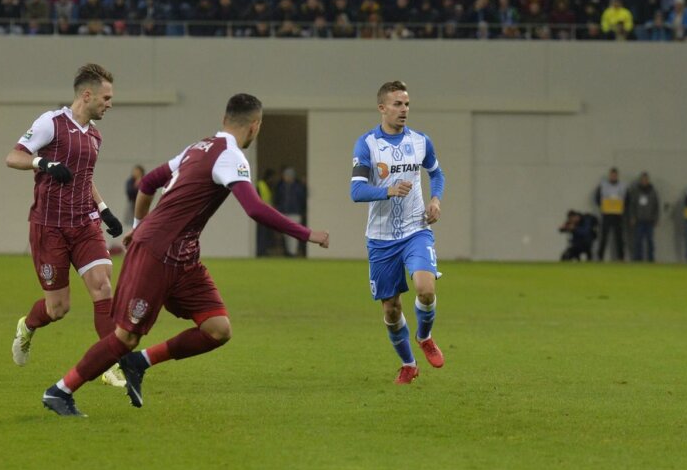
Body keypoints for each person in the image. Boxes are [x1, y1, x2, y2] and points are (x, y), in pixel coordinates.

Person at [40, 93, 330, 416]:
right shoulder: (231, 157)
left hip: (184, 258)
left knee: (218, 329)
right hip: (157, 253)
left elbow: (149, 182)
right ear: (255, 126)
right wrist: (307, 234)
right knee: (125, 336)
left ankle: (140, 363)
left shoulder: (199, 147)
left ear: (224, 120)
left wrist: (138, 224)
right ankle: (60, 391)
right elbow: (255, 209)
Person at [5, 63, 126, 388]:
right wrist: (42, 162)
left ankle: (109, 364)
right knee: (58, 308)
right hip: (50, 227)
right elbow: (13, 156)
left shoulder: (95, 136)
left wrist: (104, 210)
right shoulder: (51, 123)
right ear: (87, 95)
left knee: (102, 286)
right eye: (106, 97)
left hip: (84, 225)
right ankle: (27, 327)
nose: (109, 104)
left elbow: (85, 179)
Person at [349, 80, 446, 384]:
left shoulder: (420, 141)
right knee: (391, 310)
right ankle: (408, 363)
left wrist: (435, 199)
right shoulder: (367, 145)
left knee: (426, 288)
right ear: (382, 108)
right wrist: (388, 191)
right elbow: (356, 191)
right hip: (380, 238)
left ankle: (425, 336)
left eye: (406, 104)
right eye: (397, 104)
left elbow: (437, 173)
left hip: (416, 230)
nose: (404, 109)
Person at [626, 172, 660, 262]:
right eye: (643, 180)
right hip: (639, 220)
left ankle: (650, 259)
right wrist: (632, 217)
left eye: (646, 179)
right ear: (640, 180)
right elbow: (632, 205)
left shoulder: (653, 191)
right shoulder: (636, 191)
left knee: (650, 241)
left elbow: (656, 206)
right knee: (638, 241)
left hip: (649, 220)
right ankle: (638, 259)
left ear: (648, 180)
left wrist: (656, 218)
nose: (644, 181)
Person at [274, 166, 308, 256]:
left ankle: (292, 253)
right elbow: (277, 199)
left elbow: (302, 200)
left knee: (294, 235)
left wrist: (301, 211)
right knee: (285, 235)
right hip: (283, 213)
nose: (286, 177)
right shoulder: (281, 187)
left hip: (295, 213)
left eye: (288, 175)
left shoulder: (298, 187)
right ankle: (287, 252)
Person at [594, 168, 626, 261]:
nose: (613, 176)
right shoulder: (603, 185)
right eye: (612, 175)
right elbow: (597, 198)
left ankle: (621, 257)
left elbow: (627, 199)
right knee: (603, 236)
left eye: (615, 175)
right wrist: (603, 206)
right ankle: (600, 257)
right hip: (606, 214)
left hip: (618, 215)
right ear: (609, 175)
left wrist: (622, 208)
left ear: (617, 176)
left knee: (619, 237)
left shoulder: (622, 186)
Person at [255, 166, 277, 256]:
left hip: (267, 214)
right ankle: (261, 251)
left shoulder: (268, 186)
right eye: (272, 177)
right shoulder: (260, 185)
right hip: (261, 214)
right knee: (262, 233)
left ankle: (264, 250)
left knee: (266, 234)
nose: (273, 179)